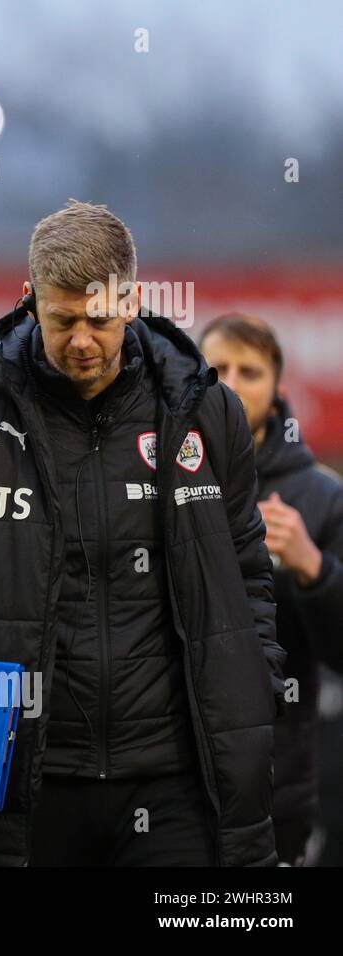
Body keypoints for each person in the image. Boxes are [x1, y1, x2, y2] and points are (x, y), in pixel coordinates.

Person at [0, 200, 284, 866]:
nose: (82, 340)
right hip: (17, 787)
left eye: (98, 318)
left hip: (177, 783)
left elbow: (248, 572)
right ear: (28, 301)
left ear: (134, 301)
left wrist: (254, 690)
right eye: (63, 320)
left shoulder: (207, 410)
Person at [199, 313, 343, 865]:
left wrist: (314, 567)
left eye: (250, 370)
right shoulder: (151, 477)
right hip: (162, 781)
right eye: (219, 368)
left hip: (277, 785)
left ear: (278, 391)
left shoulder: (321, 499)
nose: (232, 381)